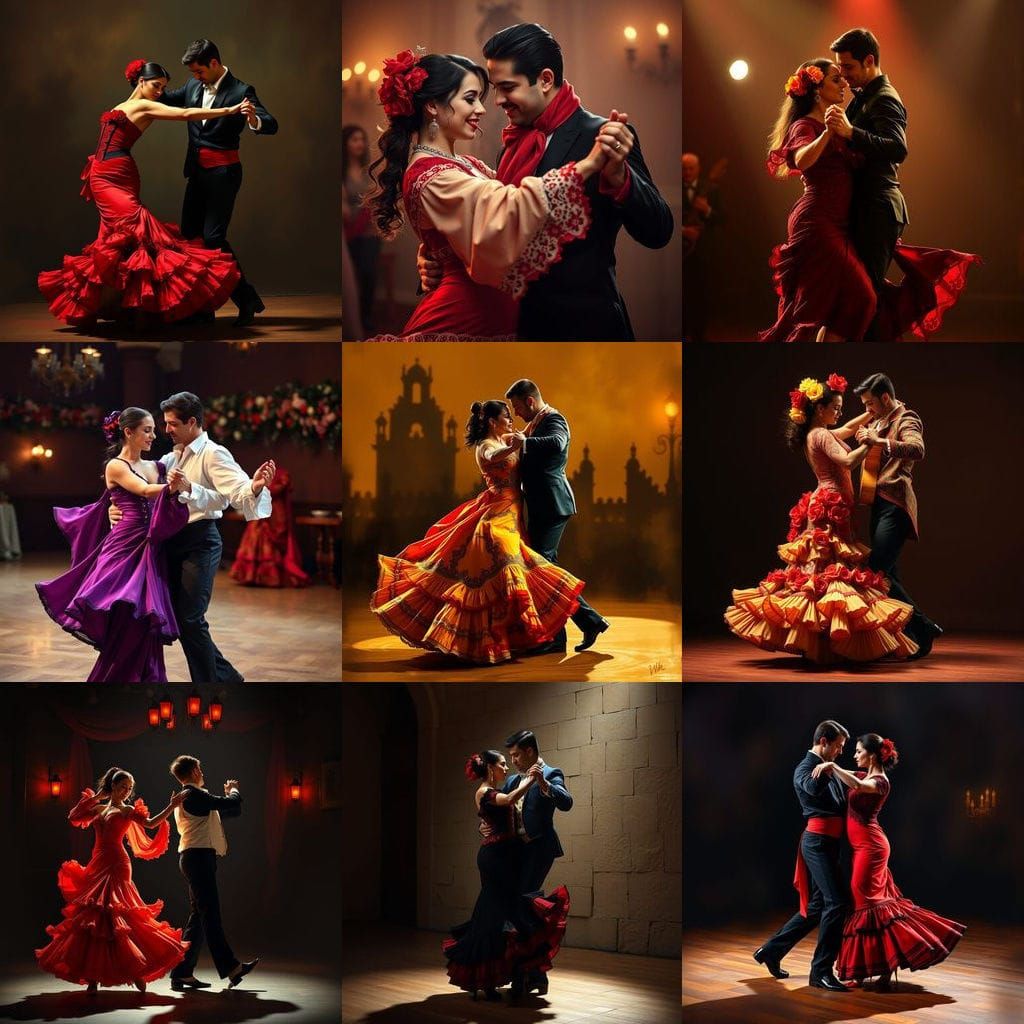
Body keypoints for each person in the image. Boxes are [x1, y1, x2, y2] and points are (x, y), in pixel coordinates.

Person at [420, 23, 675, 340]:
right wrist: (438, 258)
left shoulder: (601, 136)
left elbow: (659, 231)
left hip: (585, 331)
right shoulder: (510, 149)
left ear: (544, 80)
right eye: (494, 87)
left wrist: (622, 179)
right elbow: (497, 228)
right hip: (517, 331)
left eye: (507, 87)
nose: (497, 100)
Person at [365, 49, 610, 340]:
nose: (482, 109)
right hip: (463, 319)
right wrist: (587, 166)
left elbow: (489, 216)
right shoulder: (431, 176)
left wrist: (437, 252)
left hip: (497, 316)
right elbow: (506, 207)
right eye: (470, 99)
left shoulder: (464, 165)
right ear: (432, 106)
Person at [760, 59, 980, 342]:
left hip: (842, 224)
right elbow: (802, 160)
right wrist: (828, 132)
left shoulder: (842, 121)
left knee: (843, 306)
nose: (844, 85)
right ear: (817, 89)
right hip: (817, 222)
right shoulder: (806, 125)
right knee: (861, 297)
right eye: (836, 79)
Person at [370, 398, 585, 662]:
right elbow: (492, 456)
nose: (512, 420)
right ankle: (492, 640)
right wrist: (514, 446)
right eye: (507, 416)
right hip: (495, 513)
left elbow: (537, 436)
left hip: (513, 512)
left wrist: (531, 431)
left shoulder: (510, 437)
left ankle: (541, 633)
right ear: (493, 422)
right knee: (507, 561)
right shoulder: (486, 445)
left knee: (514, 568)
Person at [725, 373, 919, 662]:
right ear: (820, 409)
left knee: (829, 572)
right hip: (828, 505)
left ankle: (823, 638)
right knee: (823, 573)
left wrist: (865, 420)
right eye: (836, 408)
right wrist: (871, 442)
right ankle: (818, 637)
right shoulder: (819, 435)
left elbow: (849, 428)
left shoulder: (822, 432)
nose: (841, 412)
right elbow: (849, 461)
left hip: (834, 504)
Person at [38, 60, 247, 327]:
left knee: (136, 231)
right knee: (114, 240)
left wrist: (229, 109)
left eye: (163, 88)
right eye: (156, 86)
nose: (160, 92)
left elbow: (184, 114)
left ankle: (160, 302)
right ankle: (123, 305)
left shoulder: (147, 106)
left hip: (120, 176)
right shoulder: (123, 105)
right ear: (141, 81)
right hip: (101, 176)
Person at [107, 392, 276, 683]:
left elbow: (230, 497)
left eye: (172, 424)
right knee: (182, 621)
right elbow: (140, 486)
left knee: (190, 618)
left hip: (200, 542)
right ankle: (228, 680)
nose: (166, 430)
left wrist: (255, 487)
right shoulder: (171, 457)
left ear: (192, 422)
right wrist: (115, 506)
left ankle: (210, 688)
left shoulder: (214, 453)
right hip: (170, 543)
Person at [36, 407, 191, 682]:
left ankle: (149, 682)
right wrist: (174, 488)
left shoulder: (156, 466)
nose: (154, 436)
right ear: (128, 432)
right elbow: (143, 491)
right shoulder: (116, 466)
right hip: (123, 548)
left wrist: (177, 488)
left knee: (146, 620)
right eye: (147, 430)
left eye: (154, 430)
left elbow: (159, 500)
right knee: (128, 616)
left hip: (151, 548)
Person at [815, 733, 966, 988]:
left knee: (868, 905)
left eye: (858, 751)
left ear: (872, 755)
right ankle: (875, 970)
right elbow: (852, 779)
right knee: (867, 904)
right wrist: (828, 767)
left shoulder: (880, 781)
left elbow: (858, 786)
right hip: (863, 847)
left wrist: (833, 765)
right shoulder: (864, 774)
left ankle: (878, 969)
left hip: (871, 848)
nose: (854, 755)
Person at [36, 767, 189, 992]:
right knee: (95, 918)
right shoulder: (98, 807)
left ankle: (136, 970)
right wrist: (98, 796)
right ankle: (93, 976)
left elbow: (151, 823)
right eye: (122, 787)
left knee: (120, 914)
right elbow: (73, 817)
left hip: (118, 864)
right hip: (97, 863)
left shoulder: (127, 809)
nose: (126, 792)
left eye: (129, 788)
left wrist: (171, 806)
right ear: (112, 787)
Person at [161, 39, 278, 326]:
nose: (195, 78)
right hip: (196, 173)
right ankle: (202, 304)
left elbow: (271, 123)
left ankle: (246, 298)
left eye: (199, 71)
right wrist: (143, 85)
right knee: (191, 238)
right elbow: (168, 99)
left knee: (213, 239)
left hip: (224, 175)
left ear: (214, 63)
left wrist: (253, 119)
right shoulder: (192, 86)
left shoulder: (241, 90)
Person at [443, 749, 569, 1001]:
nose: (507, 767)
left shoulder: (497, 789)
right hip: (496, 859)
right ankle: (506, 976)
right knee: (499, 913)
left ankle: (512, 975)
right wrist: (533, 778)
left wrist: (485, 825)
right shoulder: (489, 791)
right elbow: (508, 801)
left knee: (505, 913)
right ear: (490, 768)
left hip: (507, 855)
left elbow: (495, 814)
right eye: (502, 763)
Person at [503, 379, 608, 653]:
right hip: (542, 504)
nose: (515, 414)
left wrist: (525, 441)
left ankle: (569, 631)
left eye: (517, 407)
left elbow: (558, 443)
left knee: (541, 568)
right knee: (544, 568)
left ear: (530, 401)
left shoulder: (553, 419)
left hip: (552, 503)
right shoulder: (536, 422)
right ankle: (576, 628)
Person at [751, 720, 852, 991]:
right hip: (816, 843)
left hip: (828, 844)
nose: (840, 752)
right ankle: (820, 972)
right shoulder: (804, 768)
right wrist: (829, 770)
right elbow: (811, 788)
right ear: (824, 742)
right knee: (837, 903)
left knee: (818, 907)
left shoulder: (829, 768)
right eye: (838, 747)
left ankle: (771, 950)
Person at [852, 373, 942, 659]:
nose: (867, 410)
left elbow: (918, 449)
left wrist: (878, 440)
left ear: (886, 398)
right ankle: (911, 638)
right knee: (888, 574)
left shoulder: (906, 418)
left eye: (869, 404)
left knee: (876, 571)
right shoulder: (876, 421)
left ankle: (923, 626)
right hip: (877, 503)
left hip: (895, 503)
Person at [168, 755, 259, 990]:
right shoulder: (193, 794)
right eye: (200, 768)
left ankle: (182, 972)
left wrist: (232, 797)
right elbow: (229, 802)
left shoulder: (193, 797)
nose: (202, 771)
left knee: (199, 916)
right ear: (195, 771)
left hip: (196, 857)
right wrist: (234, 790)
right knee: (210, 914)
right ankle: (231, 968)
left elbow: (232, 810)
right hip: (197, 858)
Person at [500, 729, 573, 997]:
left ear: (530, 751)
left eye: (517, 754)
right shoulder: (511, 782)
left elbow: (567, 803)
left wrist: (544, 785)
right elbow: (500, 810)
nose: (514, 760)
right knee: (524, 909)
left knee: (522, 902)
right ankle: (537, 974)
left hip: (539, 849)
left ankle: (522, 974)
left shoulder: (552, 773)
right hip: (516, 852)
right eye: (511, 756)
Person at [230, 466, 310, 587]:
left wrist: (261, 487)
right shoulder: (272, 477)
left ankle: (265, 577)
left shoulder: (281, 477)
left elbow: (277, 489)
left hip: (273, 512)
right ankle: (254, 576)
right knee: (256, 534)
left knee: (264, 537)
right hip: (265, 509)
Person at [343, 124, 382, 335]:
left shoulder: (369, 170)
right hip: (349, 233)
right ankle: (351, 317)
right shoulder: (340, 173)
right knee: (350, 276)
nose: (359, 143)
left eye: (361, 139)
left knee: (368, 273)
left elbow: (378, 198)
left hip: (370, 233)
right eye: (354, 139)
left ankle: (365, 316)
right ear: (345, 143)